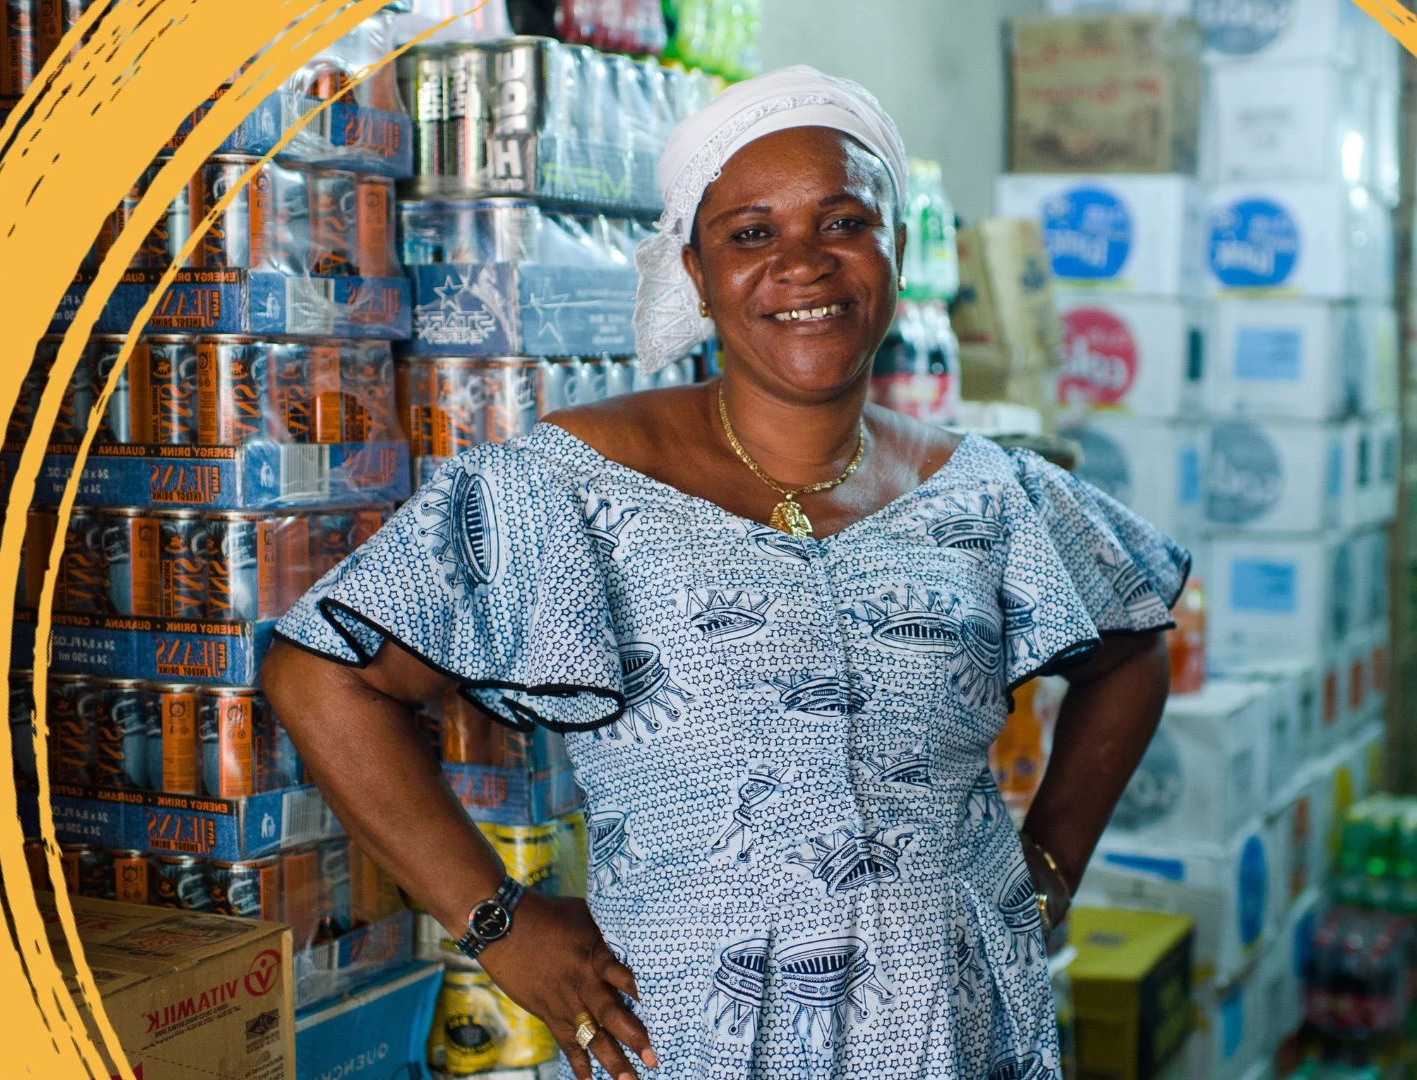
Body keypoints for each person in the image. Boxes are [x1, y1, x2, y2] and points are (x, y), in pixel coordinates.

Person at [261, 67, 1187, 1080]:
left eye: (843, 223)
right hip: (698, 1031)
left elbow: (1133, 645)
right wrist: (499, 921)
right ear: (695, 273)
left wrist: (1049, 865)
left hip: (958, 1031)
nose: (803, 265)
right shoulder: (567, 486)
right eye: (751, 233)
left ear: (897, 249)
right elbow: (321, 675)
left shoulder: (988, 491)